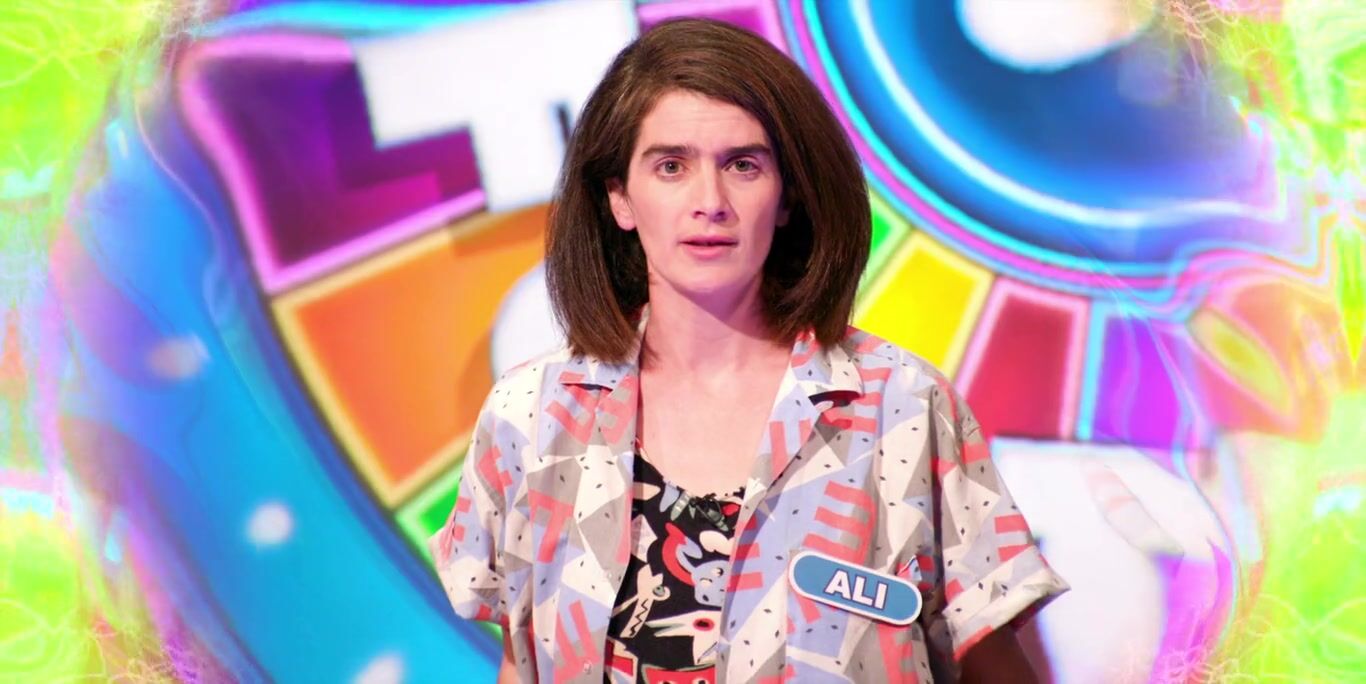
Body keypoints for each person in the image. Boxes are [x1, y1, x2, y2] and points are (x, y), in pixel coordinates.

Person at [429, 17, 1067, 684]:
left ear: (788, 196)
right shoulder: (530, 417)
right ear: (620, 198)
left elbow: (995, 666)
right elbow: (522, 660)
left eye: (743, 165)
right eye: (671, 167)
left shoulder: (904, 407)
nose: (710, 202)